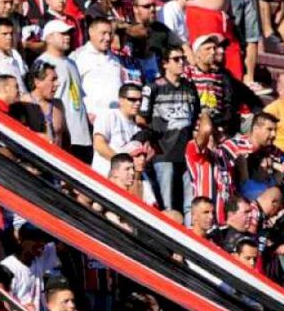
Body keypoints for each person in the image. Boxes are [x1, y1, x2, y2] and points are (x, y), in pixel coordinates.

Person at [140, 47, 199, 213]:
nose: (181, 63)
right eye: (176, 59)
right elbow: (142, 118)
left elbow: (195, 118)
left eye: (183, 59)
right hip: (163, 151)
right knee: (167, 203)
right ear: (165, 63)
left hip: (187, 152)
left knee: (190, 204)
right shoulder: (153, 87)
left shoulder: (190, 87)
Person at [38, 20, 92, 161]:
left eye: (68, 33)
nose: (67, 36)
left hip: (82, 135)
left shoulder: (72, 62)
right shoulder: (42, 63)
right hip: (64, 136)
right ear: (49, 38)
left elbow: (78, 97)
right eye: (62, 34)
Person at [71, 18, 126, 119]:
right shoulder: (78, 57)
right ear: (91, 32)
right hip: (93, 120)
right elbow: (72, 89)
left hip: (117, 119)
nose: (108, 38)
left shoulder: (116, 60)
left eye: (110, 33)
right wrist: (83, 113)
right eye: (103, 33)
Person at [92, 84, 144, 176]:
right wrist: (121, 164)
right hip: (104, 176)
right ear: (121, 100)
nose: (138, 103)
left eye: (140, 100)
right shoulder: (109, 115)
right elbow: (99, 144)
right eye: (132, 99)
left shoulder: (137, 127)